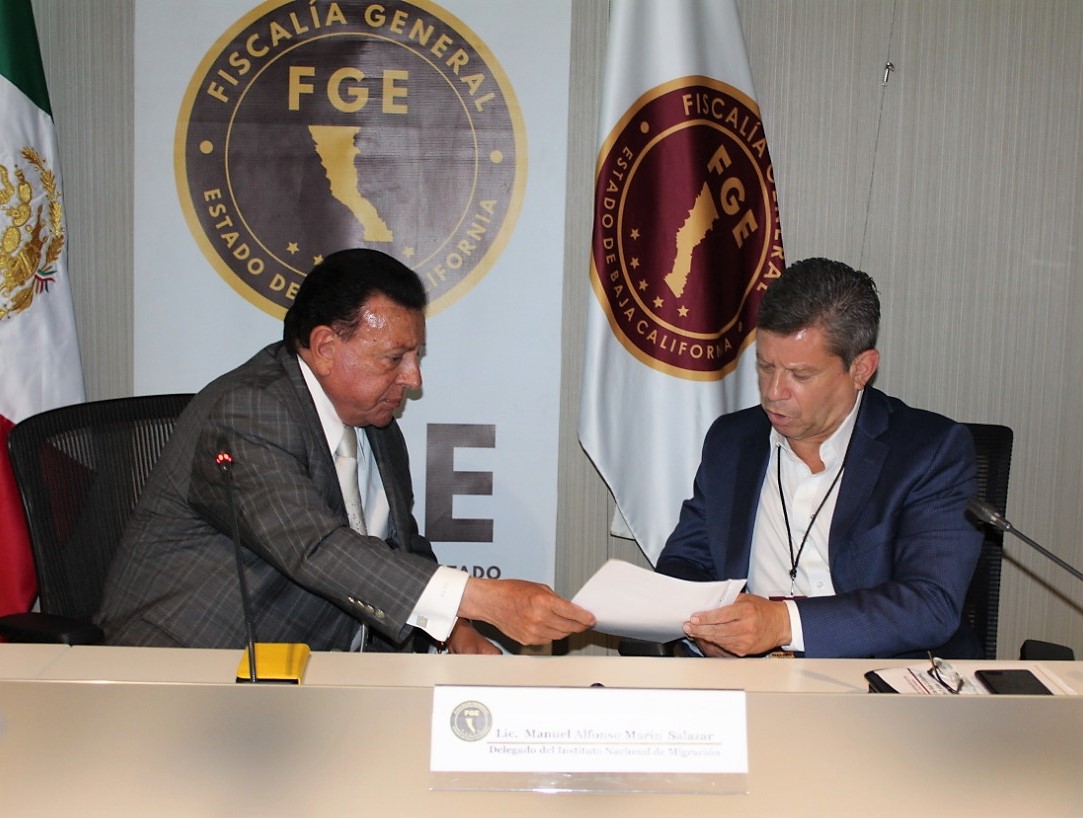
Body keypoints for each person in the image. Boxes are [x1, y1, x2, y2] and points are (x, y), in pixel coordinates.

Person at [97, 249, 594, 653]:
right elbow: (315, 547)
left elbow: (401, 548)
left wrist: (456, 629)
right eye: (394, 357)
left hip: (313, 678)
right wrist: (482, 599)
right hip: (193, 668)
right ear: (325, 347)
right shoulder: (248, 411)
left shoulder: (375, 422)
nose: (414, 378)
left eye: (416, 355)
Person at [656, 257, 982, 659]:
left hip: (872, 682)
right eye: (765, 367)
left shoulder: (929, 452)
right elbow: (684, 563)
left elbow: (930, 604)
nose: (774, 392)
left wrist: (783, 623)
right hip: (749, 679)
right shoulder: (732, 441)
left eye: (801, 375)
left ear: (861, 369)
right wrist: (705, 630)